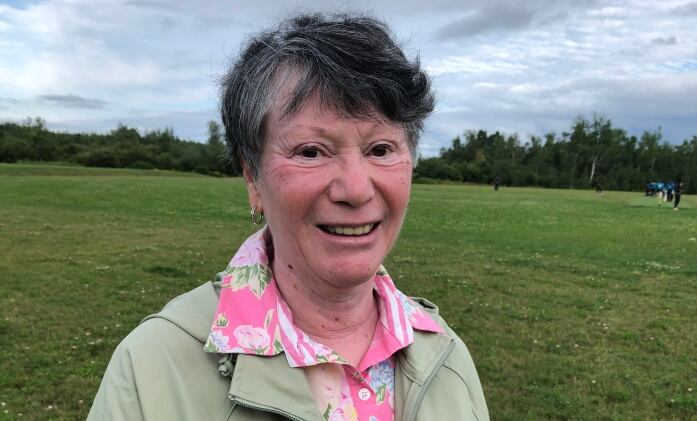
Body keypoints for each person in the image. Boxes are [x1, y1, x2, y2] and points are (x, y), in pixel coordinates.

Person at [88, 13, 489, 421]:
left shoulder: (448, 356)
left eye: (381, 149)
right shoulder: (150, 368)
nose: (356, 189)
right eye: (311, 151)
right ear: (252, 177)